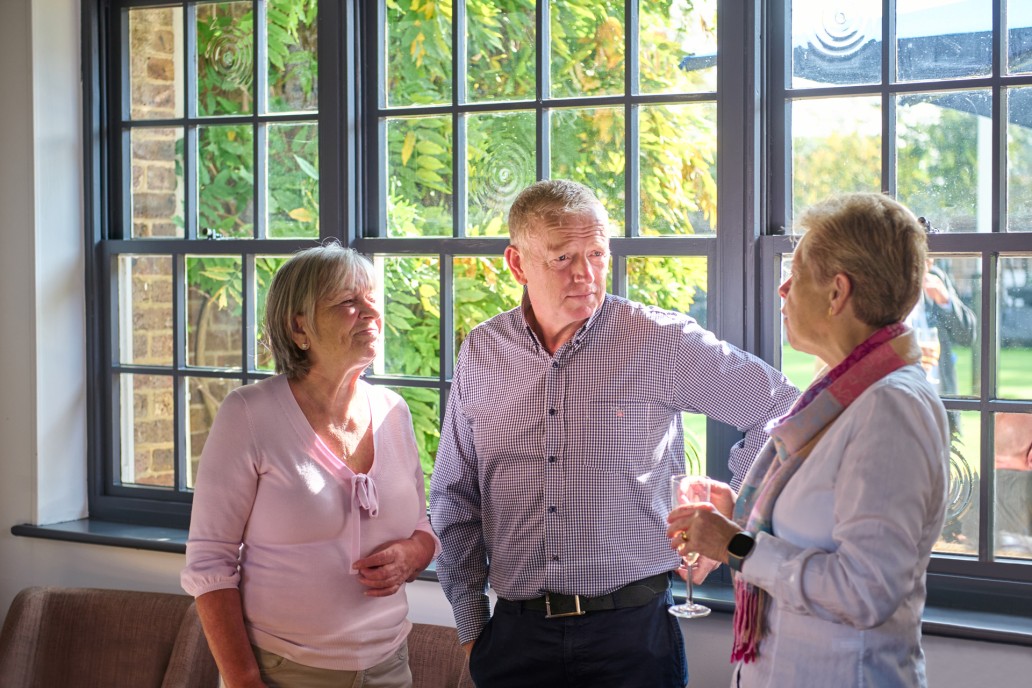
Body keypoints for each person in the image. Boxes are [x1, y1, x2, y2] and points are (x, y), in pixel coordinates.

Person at [429, 179, 798, 688]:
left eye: (597, 254)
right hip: (515, 638)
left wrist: (729, 516)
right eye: (563, 258)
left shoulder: (659, 342)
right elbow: (455, 496)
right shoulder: (483, 352)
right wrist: (472, 629)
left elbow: (783, 411)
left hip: (633, 638)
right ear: (517, 264)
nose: (586, 274)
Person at [668, 192, 949, 687]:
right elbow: (818, 529)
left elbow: (866, 591)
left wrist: (736, 545)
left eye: (795, 274)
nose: (782, 288)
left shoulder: (891, 408)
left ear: (838, 293)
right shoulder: (842, 394)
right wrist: (741, 514)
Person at [182, 242, 439, 688]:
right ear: (299, 326)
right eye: (348, 303)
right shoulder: (248, 414)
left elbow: (423, 523)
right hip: (283, 670)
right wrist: (243, 680)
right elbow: (210, 563)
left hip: (389, 666)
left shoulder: (395, 411)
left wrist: (415, 553)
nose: (372, 313)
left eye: (373, 300)